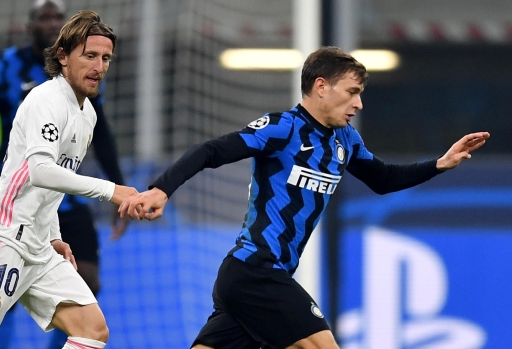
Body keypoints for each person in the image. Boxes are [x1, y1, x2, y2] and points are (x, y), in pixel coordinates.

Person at [118, 46, 490, 349]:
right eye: (353, 92)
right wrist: (162, 188)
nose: (359, 104)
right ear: (321, 86)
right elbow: (212, 150)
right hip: (256, 271)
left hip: (253, 281)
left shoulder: (345, 141)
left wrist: (439, 164)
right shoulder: (283, 128)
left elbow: (383, 179)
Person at [0, 10, 137, 349]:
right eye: (89, 56)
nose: (99, 66)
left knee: (92, 329)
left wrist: (53, 234)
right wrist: (111, 190)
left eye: (105, 58)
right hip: (5, 236)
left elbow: (49, 186)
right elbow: (41, 170)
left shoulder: (87, 114)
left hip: (40, 245)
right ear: (63, 56)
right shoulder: (46, 99)